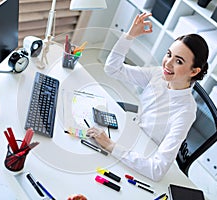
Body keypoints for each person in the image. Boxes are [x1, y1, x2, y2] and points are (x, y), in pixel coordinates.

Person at [86, 13, 209, 181]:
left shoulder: (185, 112)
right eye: (168, 54)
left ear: (194, 71)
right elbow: (112, 69)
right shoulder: (158, 74)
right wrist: (129, 36)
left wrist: (110, 145)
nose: (167, 63)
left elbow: (157, 170)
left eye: (178, 61)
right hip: (131, 136)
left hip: (143, 158)